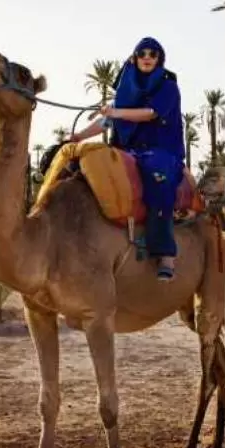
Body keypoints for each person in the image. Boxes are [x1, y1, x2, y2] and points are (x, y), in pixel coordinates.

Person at [69, 37, 185, 281]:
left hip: (159, 150)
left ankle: (165, 253)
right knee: (83, 165)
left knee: (158, 177)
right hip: (127, 149)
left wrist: (116, 112)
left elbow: (149, 113)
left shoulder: (168, 87)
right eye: (141, 53)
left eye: (153, 54)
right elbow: (107, 121)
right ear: (134, 58)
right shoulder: (126, 93)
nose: (147, 57)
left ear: (159, 59)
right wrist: (79, 136)